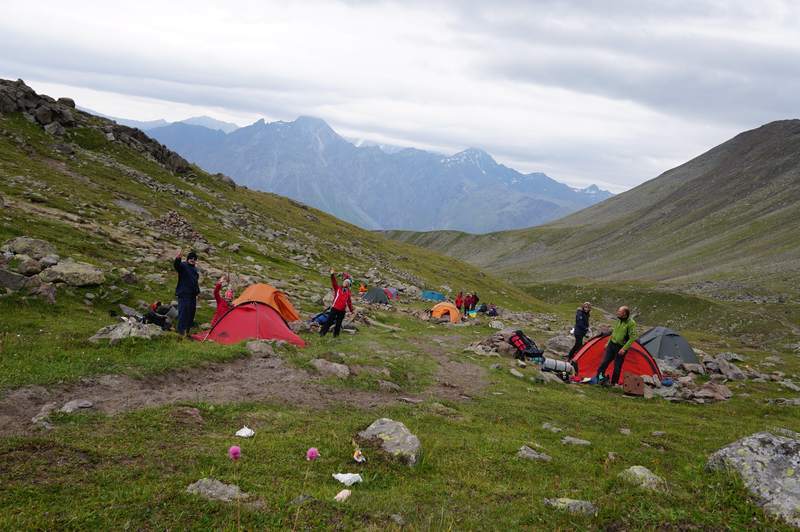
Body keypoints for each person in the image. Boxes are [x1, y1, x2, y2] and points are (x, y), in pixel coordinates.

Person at [595, 306, 637, 385]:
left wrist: (624, 349)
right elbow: (614, 332)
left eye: (619, 311)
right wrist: (608, 342)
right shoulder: (619, 320)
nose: (617, 312)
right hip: (612, 345)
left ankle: (614, 383)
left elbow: (633, 337)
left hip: (620, 347)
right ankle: (599, 378)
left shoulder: (631, 323)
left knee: (617, 367)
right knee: (604, 362)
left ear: (624, 314)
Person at [173, 250, 200, 336]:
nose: (192, 260)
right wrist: (178, 258)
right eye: (191, 258)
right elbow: (176, 266)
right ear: (188, 259)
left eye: (194, 259)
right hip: (184, 294)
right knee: (183, 313)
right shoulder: (183, 266)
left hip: (192, 295)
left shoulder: (195, 270)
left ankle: (186, 333)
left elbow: (195, 282)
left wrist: (197, 292)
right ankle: (181, 333)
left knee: (191, 314)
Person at [320, 268, 353, 338]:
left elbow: (349, 302)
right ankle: (322, 333)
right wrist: (332, 274)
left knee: (338, 324)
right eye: (345, 282)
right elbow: (334, 281)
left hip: (342, 310)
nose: (345, 283)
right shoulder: (338, 288)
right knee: (329, 321)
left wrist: (351, 310)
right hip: (335, 308)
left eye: (347, 283)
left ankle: (336, 336)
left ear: (348, 285)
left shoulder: (348, 293)